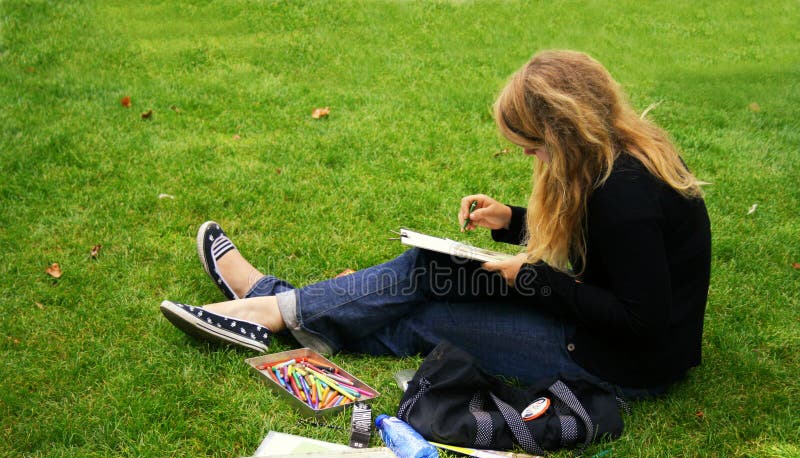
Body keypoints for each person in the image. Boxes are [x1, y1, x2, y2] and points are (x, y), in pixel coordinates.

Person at [160, 50, 711, 399]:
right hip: (589, 316)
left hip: (617, 360)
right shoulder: (611, 155)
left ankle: (265, 306)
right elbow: (602, 249)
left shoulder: (625, 195)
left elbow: (644, 322)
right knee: (430, 266)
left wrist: (533, 279)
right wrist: (513, 221)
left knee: (428, 320)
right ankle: (272, 308)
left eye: (533, 147)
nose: (528, 157)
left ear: (564, 134)